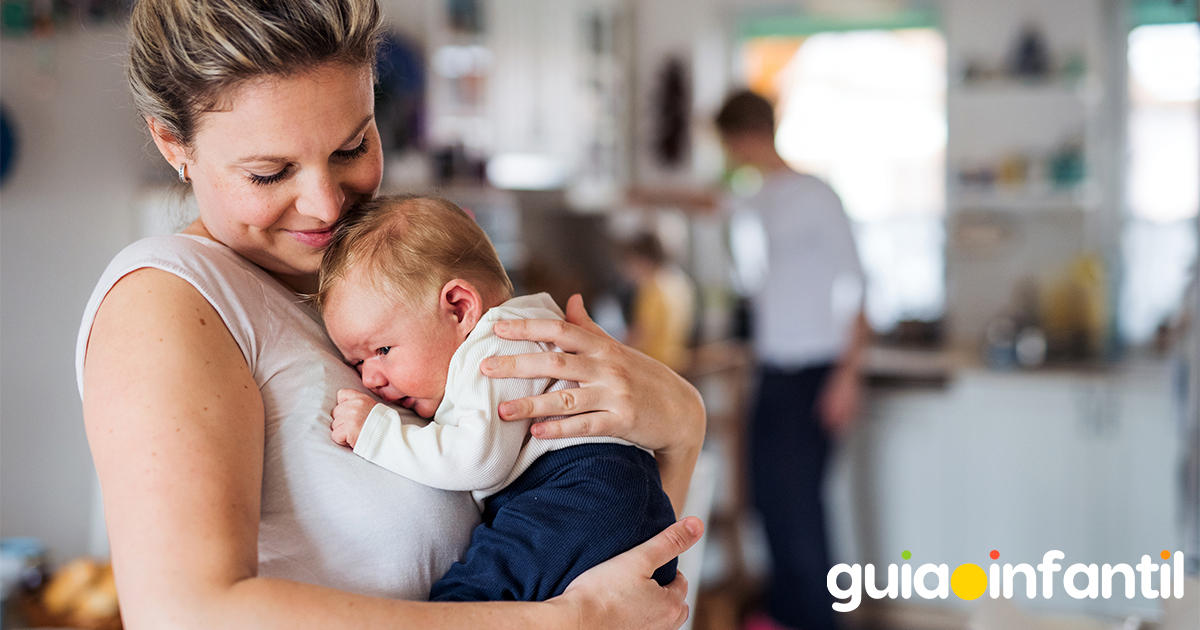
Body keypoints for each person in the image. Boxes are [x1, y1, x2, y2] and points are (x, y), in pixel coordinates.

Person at [75, 1, 705, 628]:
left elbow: (619, 579)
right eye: (270, 173)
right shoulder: (168, 302)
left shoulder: (370, 289)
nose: (326, 206)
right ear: (172, 142)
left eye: (352, 147)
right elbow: (183, 615)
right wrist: (568, 622)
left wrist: (681, 427)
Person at [313, 195, 677, 601]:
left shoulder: (495, 347)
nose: (370, 378)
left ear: (459, 308)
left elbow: (475, 459)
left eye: (382, 350)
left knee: (470, 598)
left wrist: (377, 432)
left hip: (584, 493)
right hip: (601, 499)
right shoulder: (515, 332)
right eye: (357, 362)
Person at [716, 90, 869, 630]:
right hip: (773, 373)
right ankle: (784, 613)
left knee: (801, 509)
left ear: (744, 138)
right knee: (768, 502)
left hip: (815, 374)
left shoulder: (816, 196)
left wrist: (847, 378)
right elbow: (710, 204)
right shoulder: (758, 198)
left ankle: (820, 621)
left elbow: (858, 288)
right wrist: (638, 193)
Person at [619, 233, 697, 374]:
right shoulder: (680, 282)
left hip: (654, 366)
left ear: (641, 259)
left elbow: (642, 335)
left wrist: (615, 344)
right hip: (679, 363)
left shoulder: (652, 288)